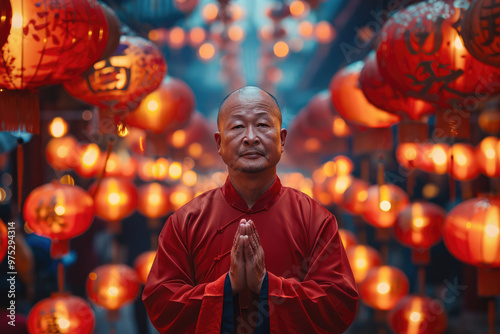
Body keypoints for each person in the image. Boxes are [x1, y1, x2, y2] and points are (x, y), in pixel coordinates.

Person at [142, 86, 358, 333]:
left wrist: (267, 285)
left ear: (282, 140)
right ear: (219, 143)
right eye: (237, 127)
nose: (251, 137)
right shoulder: (186, 220)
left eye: (263, 125)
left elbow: (339, 304)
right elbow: (161, 303)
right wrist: (226, 287)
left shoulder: (315, 219)